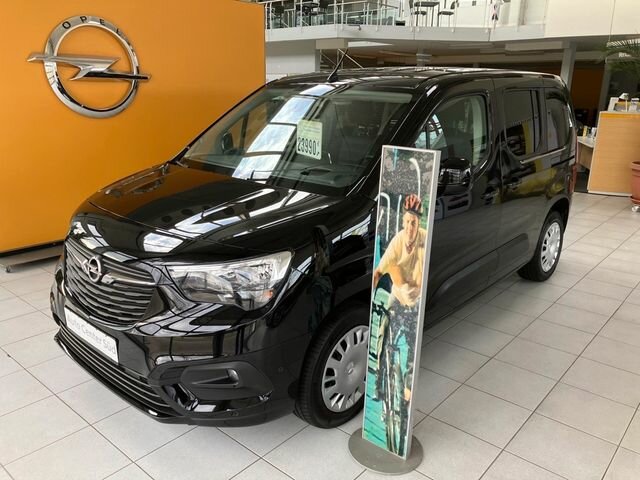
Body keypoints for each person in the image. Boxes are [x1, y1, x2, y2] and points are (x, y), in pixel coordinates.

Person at [370, 192, 427, 456]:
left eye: (413, 222)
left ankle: (406, 392)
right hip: (398, 294)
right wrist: (373, 292)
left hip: (414, 301)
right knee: (383, 327)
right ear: (402, 222)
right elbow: (380, 270)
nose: (410, 227)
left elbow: (421, 277)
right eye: (406, 222)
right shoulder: (397, 240)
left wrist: (413, 285)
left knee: (412, 349)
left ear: (419, 223)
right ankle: (378, 380)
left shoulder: (424, 240)